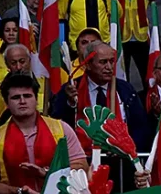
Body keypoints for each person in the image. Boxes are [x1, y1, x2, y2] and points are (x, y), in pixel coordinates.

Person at [51, 41, 155, 174]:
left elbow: (140, 127)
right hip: (83, 165)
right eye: (103, 62)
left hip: (122, 166)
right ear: (88, 64)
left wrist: (126, 148)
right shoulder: (71, 90)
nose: (109, 67)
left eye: (112, 61)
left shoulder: (125, 90)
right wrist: (70, 103)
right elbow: (59, 125)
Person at [0, 73, 88, 194]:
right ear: (7, 103)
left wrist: (48, 173)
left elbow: (82, 166)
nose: (22, 101)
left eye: (27, 96)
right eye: (15, 97)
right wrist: (18, 191)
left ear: (36, 100)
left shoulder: (61, 129)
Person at [0, 43, 47, 125]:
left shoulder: (45, 85)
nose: (18, 67)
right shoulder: (0, 93)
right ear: (7, 64)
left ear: (29, 61)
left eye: (22, 62)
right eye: (13, 63)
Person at [117, 0, 151, 86]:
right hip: (122, 36)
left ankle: (148, 101)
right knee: (123, 75)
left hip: (140, 36)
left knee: (145, 73)